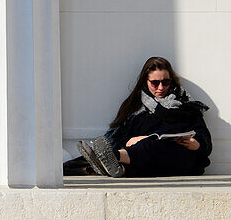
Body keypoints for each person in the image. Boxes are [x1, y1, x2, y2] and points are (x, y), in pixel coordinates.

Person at [71, 56, 211, 178]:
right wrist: (136, 139)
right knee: (146, 152)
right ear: (146, 81)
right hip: (146, 160)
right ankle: (119, 169)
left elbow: (203, 134)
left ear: (172, 81)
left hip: (181, 157)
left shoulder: (186, 105)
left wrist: (197, 144)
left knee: (154, 145)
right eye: (155, 83)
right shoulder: (135, 106)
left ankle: (111, 157)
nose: (161, 87)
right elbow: (122, 137)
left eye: (165, 82)